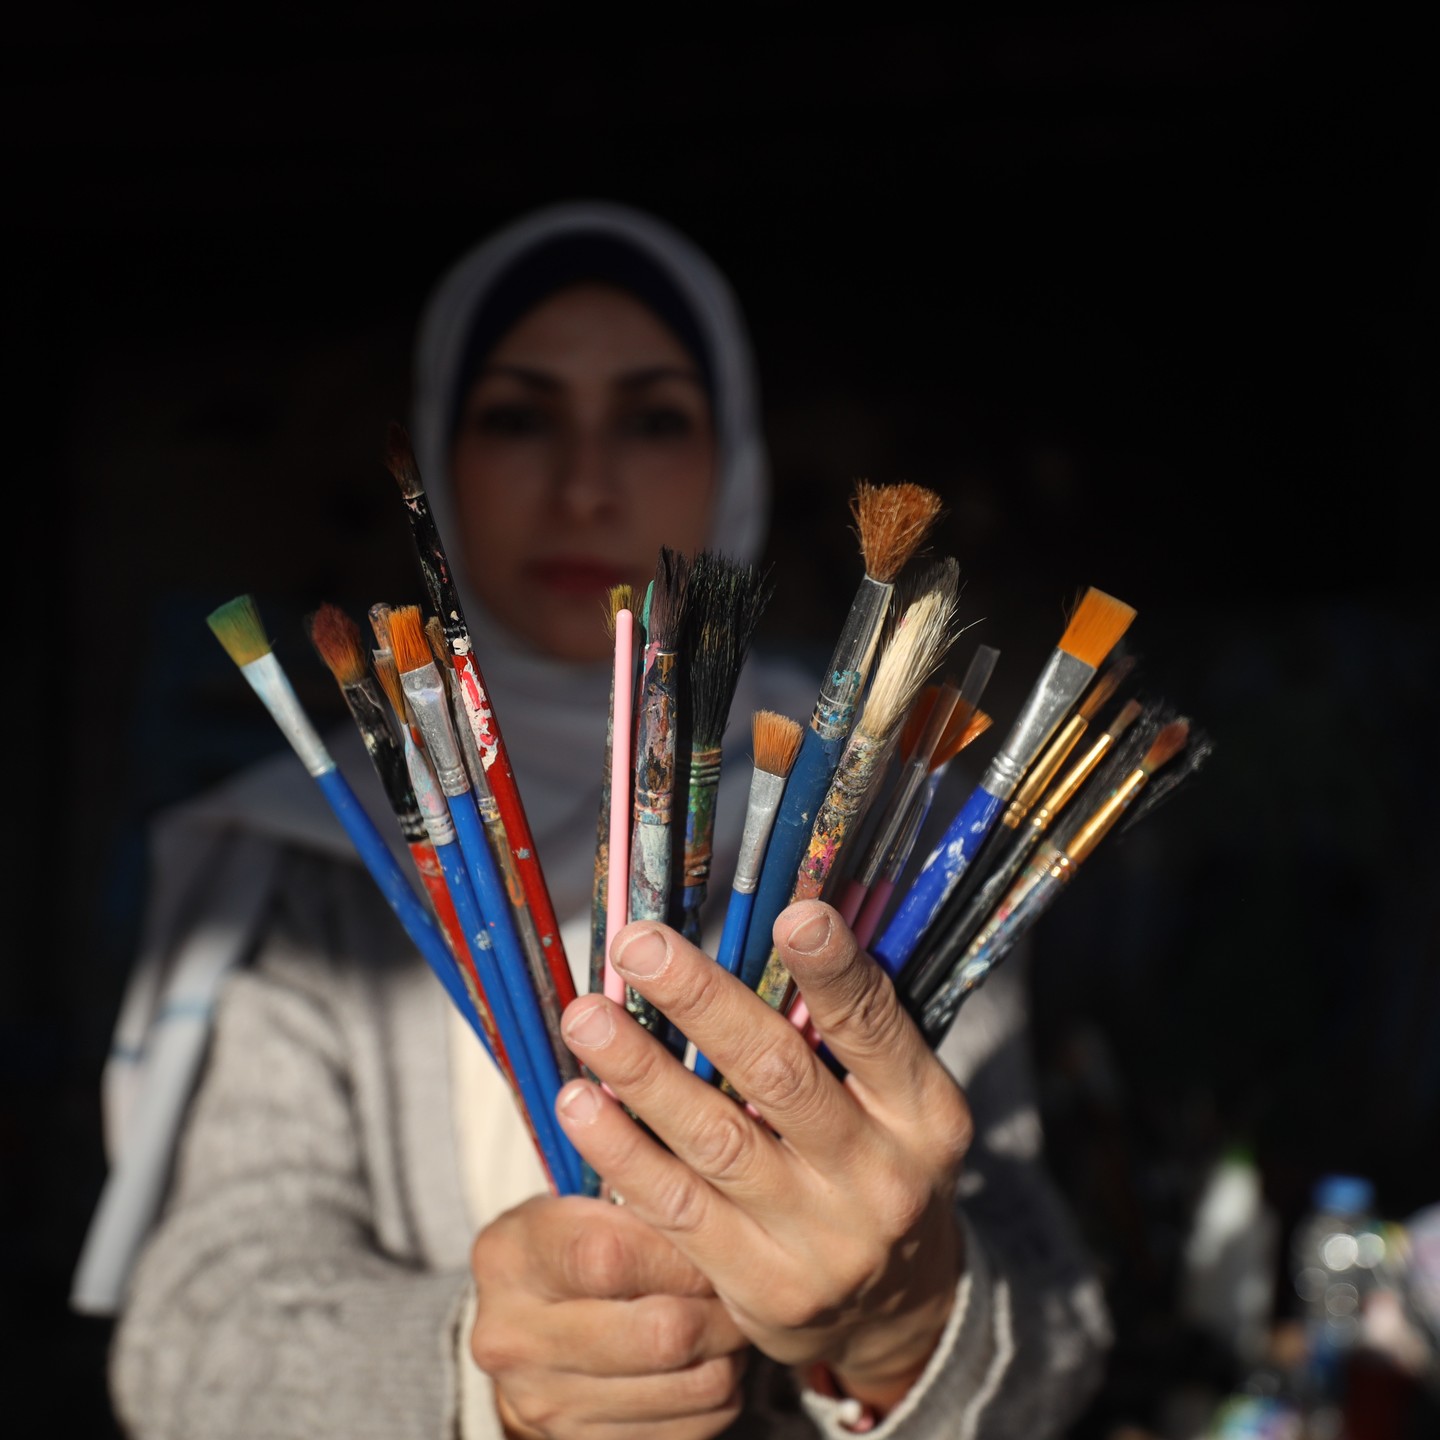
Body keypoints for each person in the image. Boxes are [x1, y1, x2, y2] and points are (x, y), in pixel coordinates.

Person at [72, 199, 1112, 1438]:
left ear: (733, 461)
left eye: (653, 418)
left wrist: (898, 1327)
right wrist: (480, 1367)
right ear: (440, 457)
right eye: (519, 418)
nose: (583, 486)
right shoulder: (307, 859)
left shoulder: (884, 830)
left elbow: (1056, 1332)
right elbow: (188, 1347)